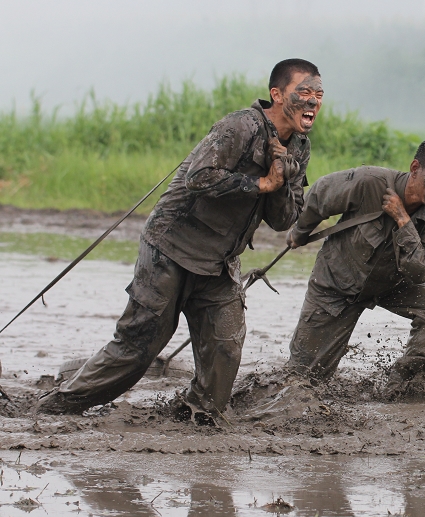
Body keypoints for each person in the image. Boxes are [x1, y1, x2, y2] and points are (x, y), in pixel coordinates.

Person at [38, 59, 322, 420]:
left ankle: (195, 418)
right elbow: (198, 176)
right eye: (305, 92)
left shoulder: (299, 147)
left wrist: (280, 182)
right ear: (278, 94)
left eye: (319, 95)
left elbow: (282, 220)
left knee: (225, 349)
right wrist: (259, 184)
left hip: (219, 262)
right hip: (171, 247)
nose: (313, 102)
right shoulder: (241, 126)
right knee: (140, 345)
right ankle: (55, 408)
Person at [285, 137, 425, 397]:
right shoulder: (370, 182)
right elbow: (322, 194)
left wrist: (402, 218)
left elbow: (422, 270)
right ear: (415, 168)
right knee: (303, 381)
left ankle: (400, 385)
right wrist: (300, 231)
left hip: (393, 284)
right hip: (336, 285)